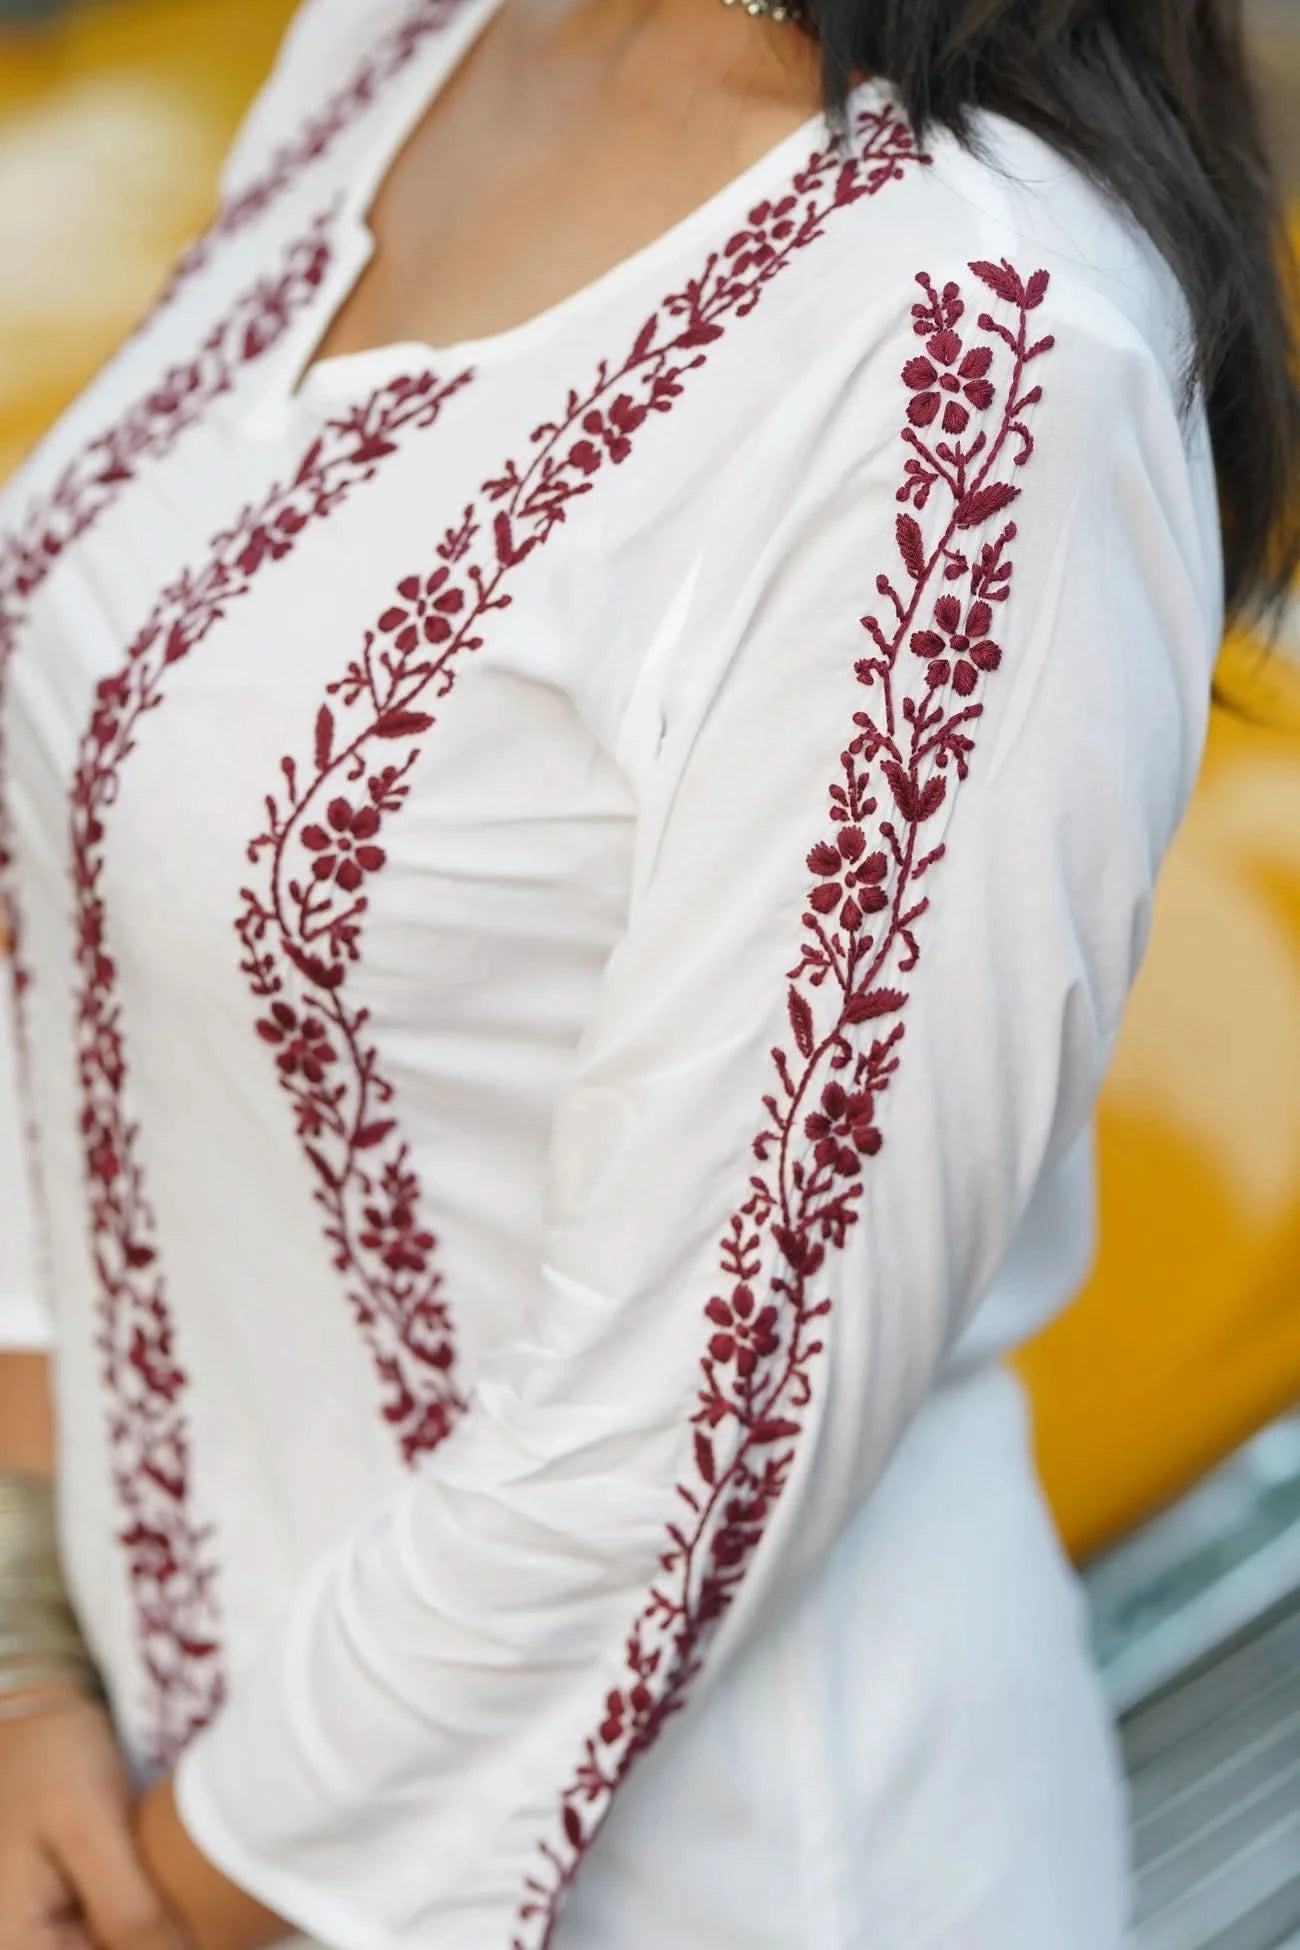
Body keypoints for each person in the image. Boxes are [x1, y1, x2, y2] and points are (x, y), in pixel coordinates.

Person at [0, 0, 1295, 1945]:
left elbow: (683, 1432)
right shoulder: (407, 32)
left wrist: (164, 1908)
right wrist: (27, 1641)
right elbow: (86, 865)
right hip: (143, 1799)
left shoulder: (978, 340)